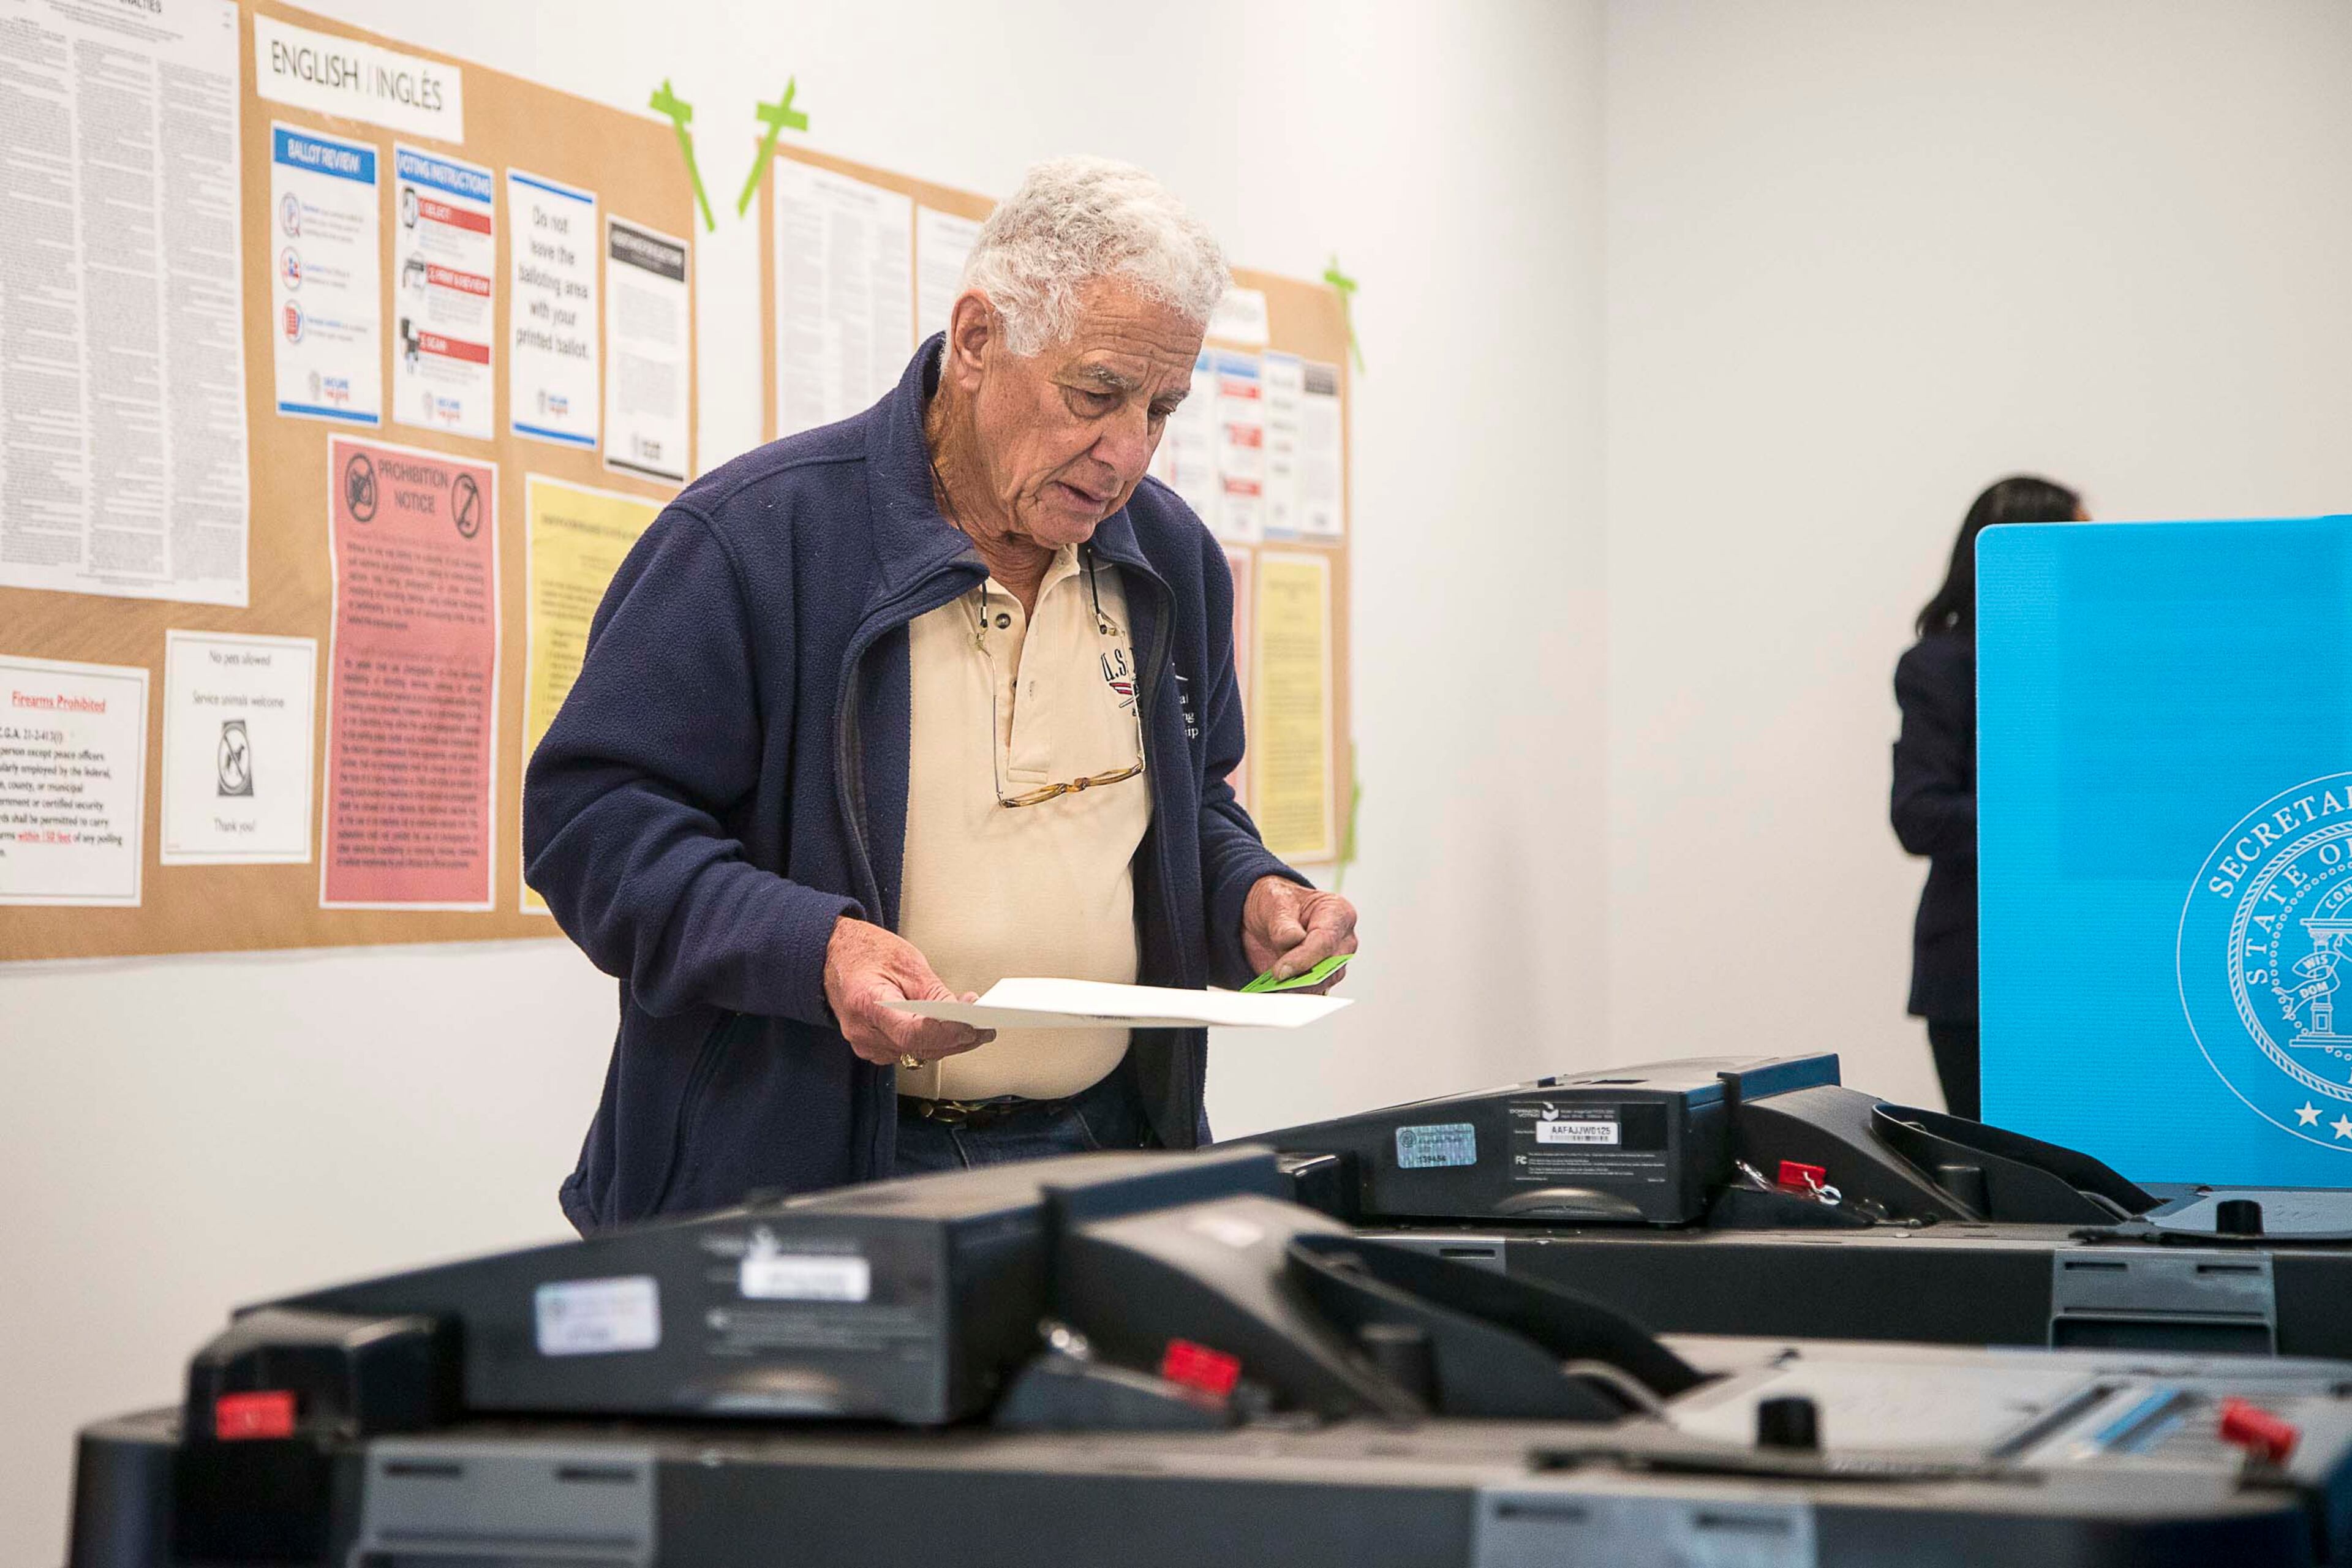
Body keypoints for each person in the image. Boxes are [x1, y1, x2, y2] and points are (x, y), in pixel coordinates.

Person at [525, 157, 1357, 1232]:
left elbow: (1190, 812)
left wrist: (1249, 897)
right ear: (977, 342)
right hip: (797, 1178)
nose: (1127, 453)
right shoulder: (753, 540)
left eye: (1161, 408)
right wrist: (815, 949)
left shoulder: (1170, 561)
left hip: (1102, 1158)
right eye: (1096, 394)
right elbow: (592, 829)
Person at [1892, 475, 2084, 1120]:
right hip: (1978, 971)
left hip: (2087, 964)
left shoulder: (2091, 663)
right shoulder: (1941, 667)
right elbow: (1919, 816)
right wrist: (2049, 820)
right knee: (2008, 1192)